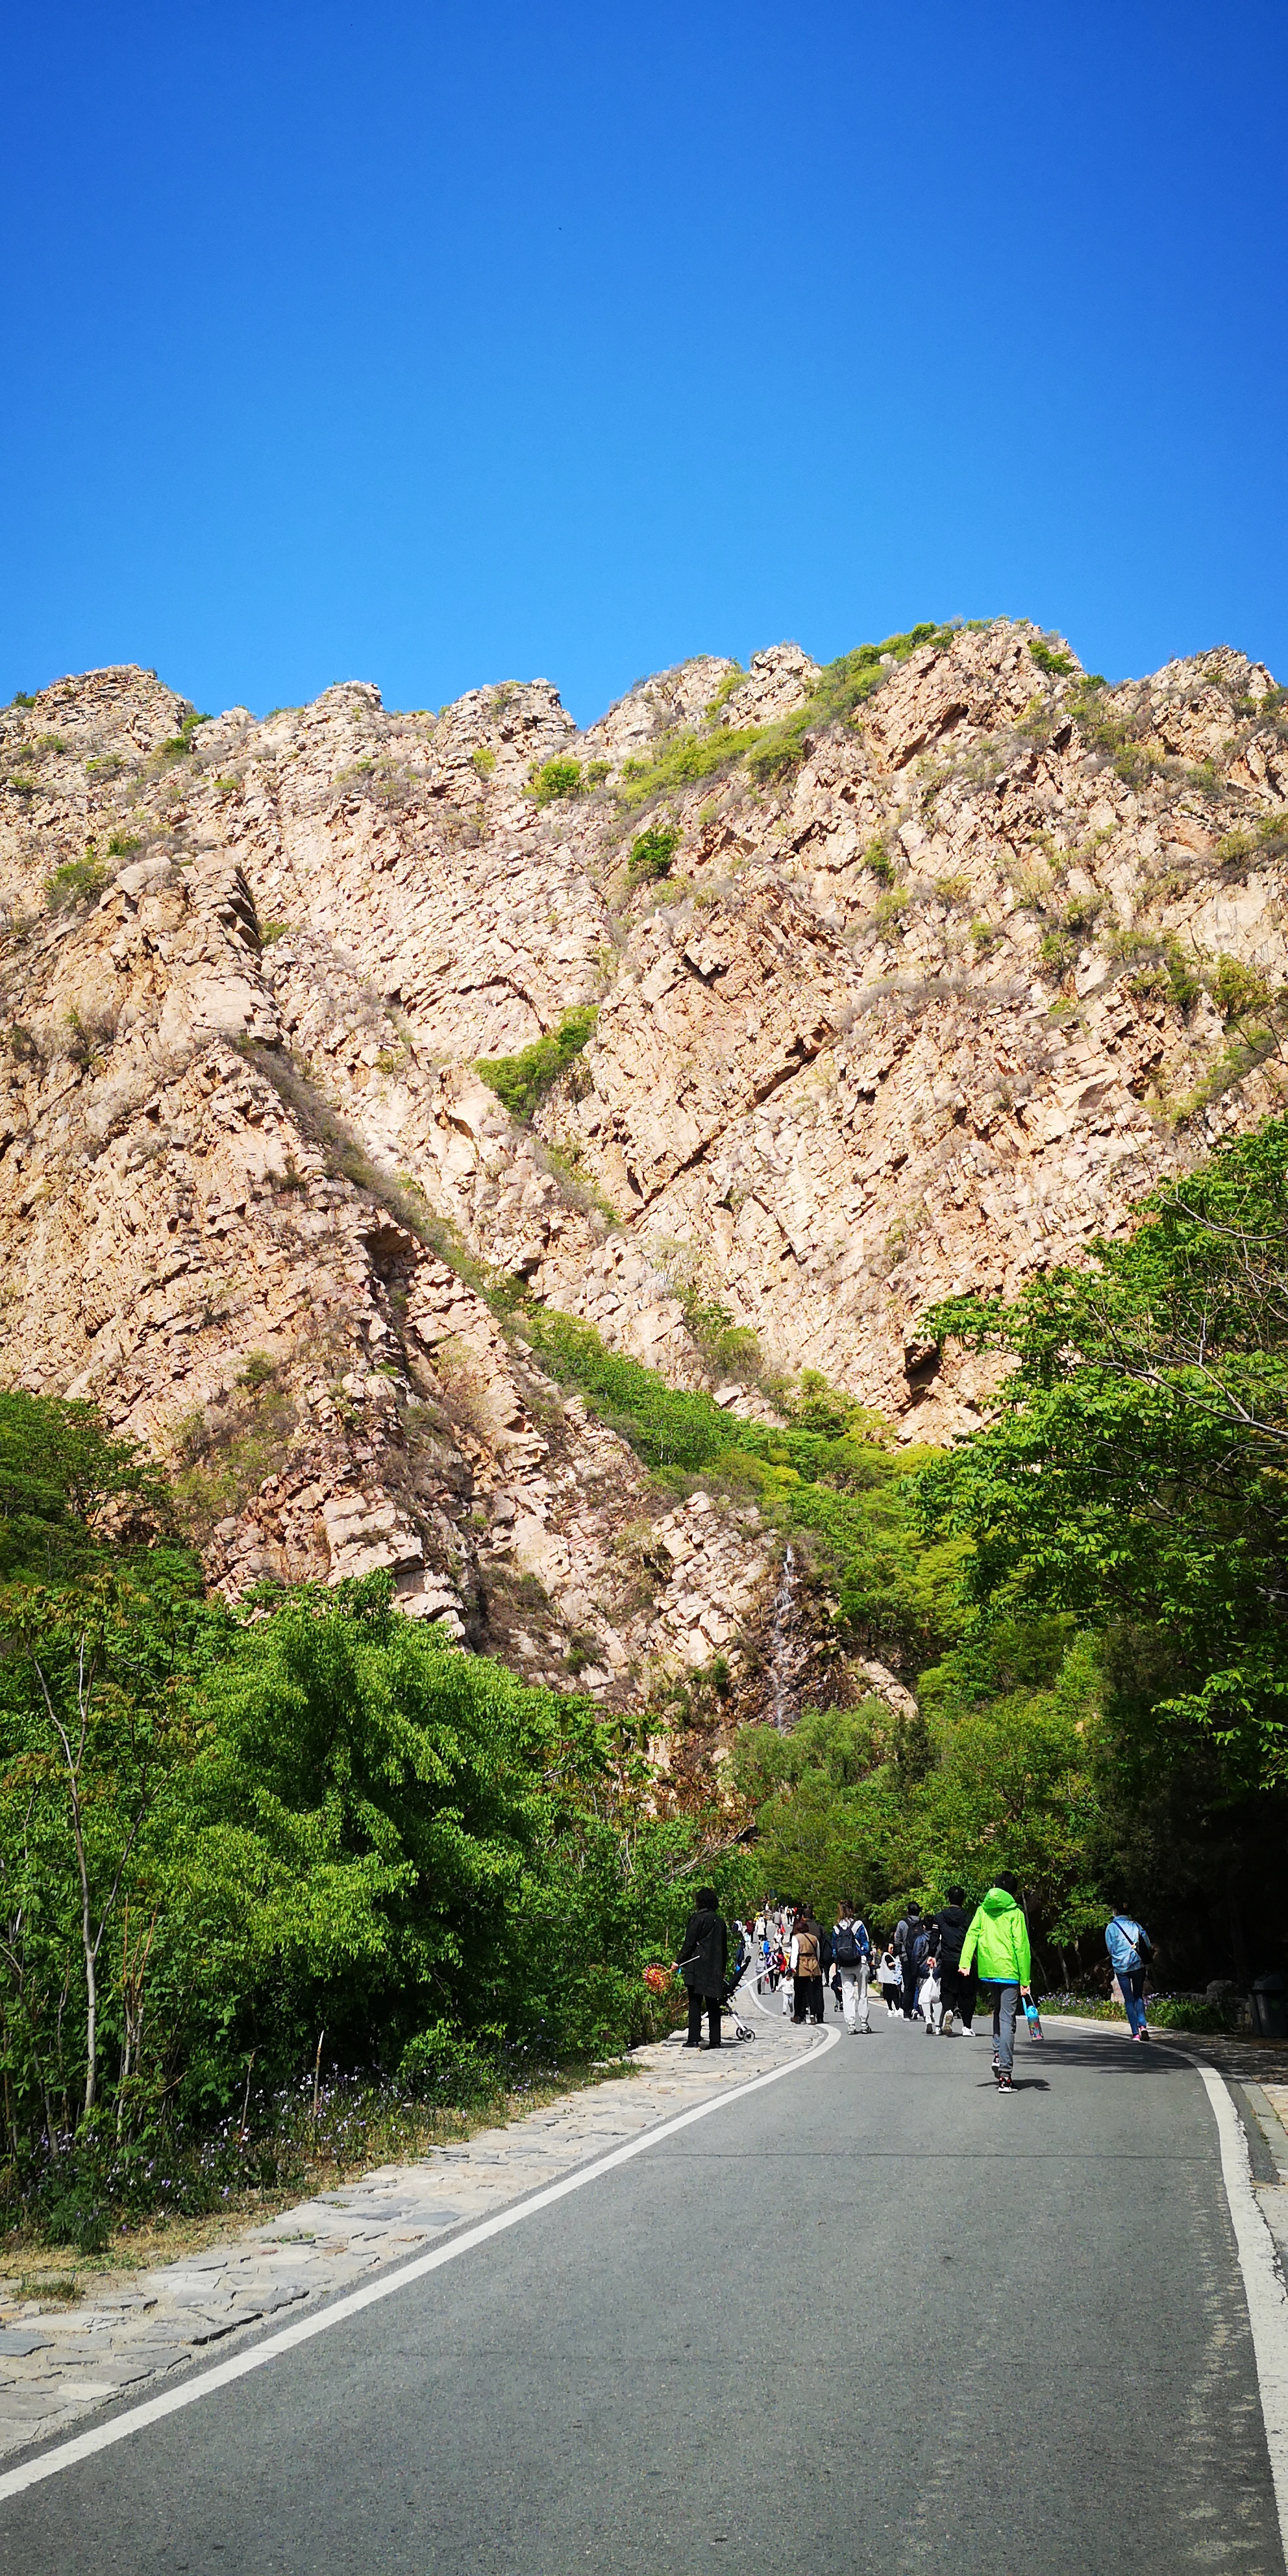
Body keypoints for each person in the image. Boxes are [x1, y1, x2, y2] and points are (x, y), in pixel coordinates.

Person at [958, 1872, 1032, 2092]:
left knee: (999, 2011)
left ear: (994, 1887)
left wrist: (965, 1962)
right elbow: (1022, 1947)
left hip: (989, 1969)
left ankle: (998, 2054)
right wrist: (1025, 1979)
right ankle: (1006, 2076)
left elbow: (972, 1935)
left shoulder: (983, 1910)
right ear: (1013, 1891)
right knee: (1008, 2019)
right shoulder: (1015, 1914)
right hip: (1009, 1970)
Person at [675, 1888, 728, 2048]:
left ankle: (693, 2038)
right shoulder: (719, 1922)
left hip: (697, 1965)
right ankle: (715, 2040)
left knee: (695, 2003)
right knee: (713, 2003)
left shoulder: (697, 1919)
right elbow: (724, 1948)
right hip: (715, 1967)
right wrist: (723, 1968)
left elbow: (689, 1943)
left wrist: (678, 1961)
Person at [1106, 1907, 1153, 2042]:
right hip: (1138, 1965)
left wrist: (1119, 1956)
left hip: (1121, 1968)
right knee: (1138, 1996)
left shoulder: (1111, 1928)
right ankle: (1143, 2026)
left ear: (1116, 1912)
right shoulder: (1135, 1924)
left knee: (1129, 1999)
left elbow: (1110, 1948)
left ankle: (1135, 2032)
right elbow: (1147, 1943)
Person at [933, 1886, 974, 2036]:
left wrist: (932, 1955)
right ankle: (967, 2027)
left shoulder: (940, 1917)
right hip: (965, 1960)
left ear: (948, 1898)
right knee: (967, 1994)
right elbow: (974, 1937)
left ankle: (949, 2010)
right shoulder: (968, 1918)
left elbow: (934, 1937)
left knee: (948, 1990)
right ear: (963, 1900)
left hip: (947, 1959)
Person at [832, 1902, 873, 2035]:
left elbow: (834, 1950)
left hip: (844, 1965)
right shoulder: (858, 1925)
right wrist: (866, 1958)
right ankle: (864, 2023)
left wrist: (838, 1961)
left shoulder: (836, 1929)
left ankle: (851, 2024)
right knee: (863, 1993)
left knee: (847, 1994)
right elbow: (866, 1943)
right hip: (859, 1962)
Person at [791, 1912, 825, 2025]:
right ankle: (813, 2016)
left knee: (800, 1992)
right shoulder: (814, 1938)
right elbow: (818, 1953)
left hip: (802, 1966)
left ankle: (799, 2016)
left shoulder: (797, 1938)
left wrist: (792, 1968)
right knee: (812, 1993)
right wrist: (816, 1963)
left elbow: (795, 1953)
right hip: (813, 1965)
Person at [895, 1904, 928, 2020]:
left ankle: (907, 2012)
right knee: (923, 1985)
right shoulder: (923, 1924)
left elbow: (897, 1942)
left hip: (907, 1959)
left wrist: (902, 1956)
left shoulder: (902, 1923)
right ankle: (925, 2012)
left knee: (908, 1986)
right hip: (922, 1959)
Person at [876, 1943, 901, 2019]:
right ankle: (897, 2009)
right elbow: (890, 1964)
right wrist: (897, 1963)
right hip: (890, 1979)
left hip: (887, 1979)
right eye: (891, 1948)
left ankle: (891, 2009)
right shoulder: (887, 1956)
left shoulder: (885, 1955)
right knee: (894, 1995)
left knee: (889, 1995)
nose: (892, 1950)